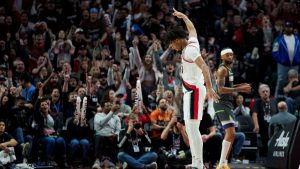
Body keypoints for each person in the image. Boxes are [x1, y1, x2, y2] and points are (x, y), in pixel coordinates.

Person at [164, 8, 219, 169]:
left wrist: (209, 88)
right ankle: (196, 162)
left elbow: (205, 68)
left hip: (194, 91)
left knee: (193, 128)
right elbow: (192, 29)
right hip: (191, 91)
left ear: (177, 40)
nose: (172, 48)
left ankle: (198, 164)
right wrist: (184, 17)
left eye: (172, 44)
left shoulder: (190, 50)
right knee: (190, 127)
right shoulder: (192, 42)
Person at [214, 48, 251, 169]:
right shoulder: (222, 69)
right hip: (221, 103)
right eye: (227, 55)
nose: (230, 56)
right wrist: (239, 89)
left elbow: (228, 86)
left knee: (232, 134)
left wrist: (240, 85)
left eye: (231, 54)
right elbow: (220, 89)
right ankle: (221, 164)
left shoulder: (228, 69)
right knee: (231, 133)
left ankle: (224, 162)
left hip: (227, 103)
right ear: (222, 57)